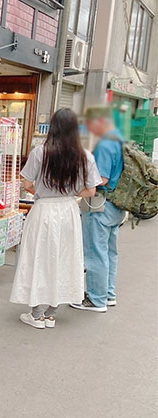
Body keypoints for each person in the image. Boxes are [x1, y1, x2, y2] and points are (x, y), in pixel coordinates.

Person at [10, 108, 102, 329]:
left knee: (39, 258)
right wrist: (70, 194)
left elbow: (27, 185)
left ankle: (36, 313)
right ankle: (51, 314)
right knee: (65, 259)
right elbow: (91, 191)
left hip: (43, 211)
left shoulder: (40, 152)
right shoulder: (85, 156)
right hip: (69, 211)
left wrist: (43, 193)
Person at [70, 105, 125, 313]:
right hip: (117, 206)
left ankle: (96, 299)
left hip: (101, 205)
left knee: (95, 252)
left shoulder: (105, 145)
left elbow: (101, 179)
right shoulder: (120, 140)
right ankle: (108, 294)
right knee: (110, 252)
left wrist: (79, 183)